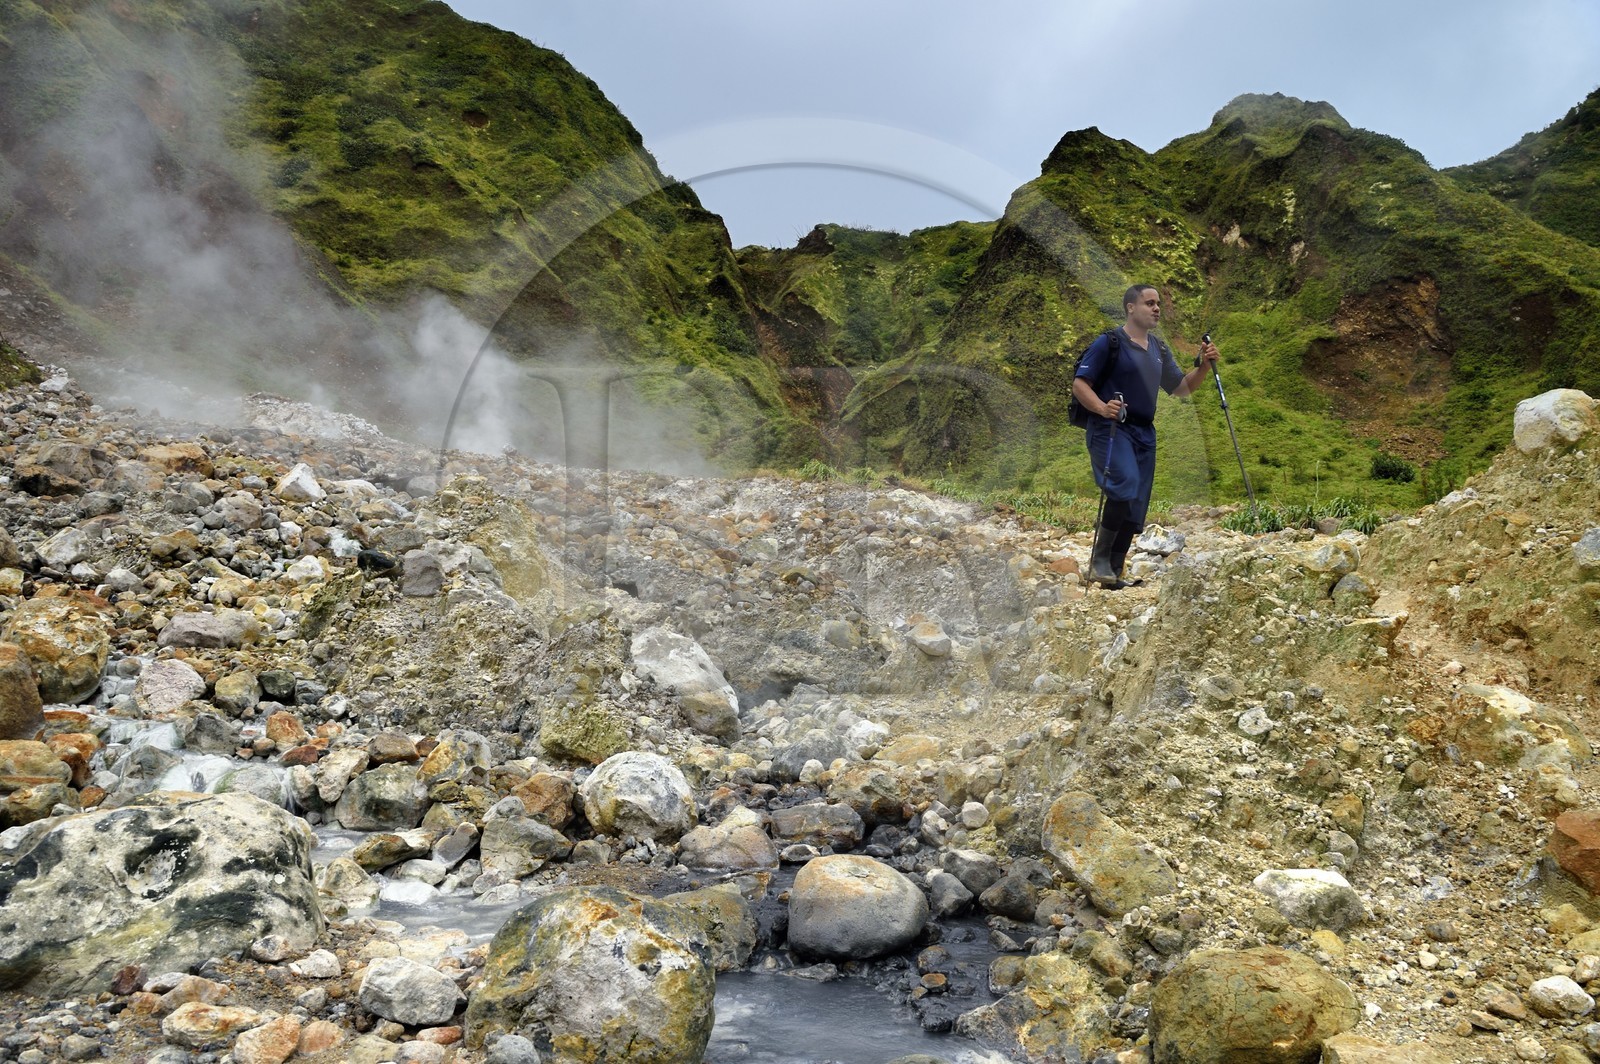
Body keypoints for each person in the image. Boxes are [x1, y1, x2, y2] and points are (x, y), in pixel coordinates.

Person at [1072, 284, 1218, 589]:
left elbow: (1181, 388)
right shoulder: (1109, 342)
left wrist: (1203, 366)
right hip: (1110, 427)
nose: (1156, 309)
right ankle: (1098, 562)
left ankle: (1113, 570)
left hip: (1143, 431)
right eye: (1149, 303)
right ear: (1130, 307)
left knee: (1136, 501)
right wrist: (1102, 408)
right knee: (1124, 484)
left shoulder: (1158, 349)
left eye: (1158, 304)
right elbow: (1080, 385)